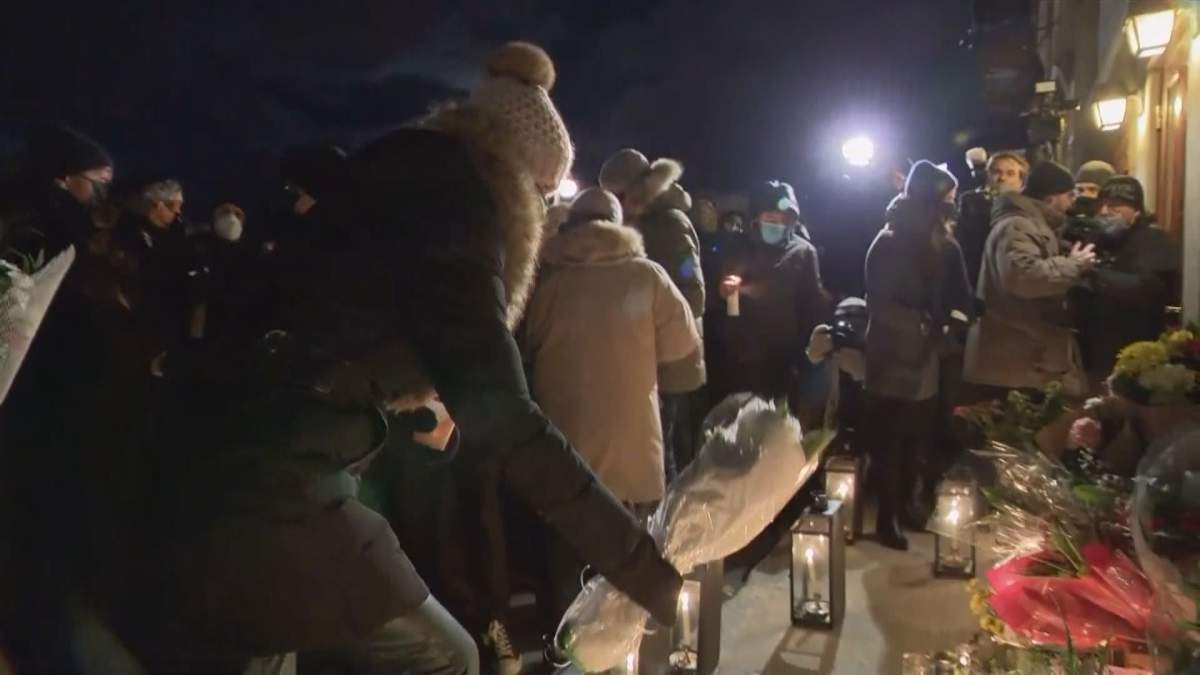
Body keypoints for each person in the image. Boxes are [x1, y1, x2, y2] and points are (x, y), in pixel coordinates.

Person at [140, 41, 681, 674]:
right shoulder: (462, 206)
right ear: (518, 179)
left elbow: (343, 328)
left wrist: (413, 415)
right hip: (272, 479)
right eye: (542, 193)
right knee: (443, 657)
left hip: (229, 455)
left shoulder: (398, 181)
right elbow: (505, 415)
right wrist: (640, 565)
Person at [0, 125, 146, 673]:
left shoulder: (53, 226)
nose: (103, 195)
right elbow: (9, 323)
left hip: (46, 409)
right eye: (97, 183)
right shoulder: (42, 229)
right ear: (64, 180)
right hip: (42, 413)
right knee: (45, 545)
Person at [525, 187, 700, 613]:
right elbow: (683, 351)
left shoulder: (546, 285)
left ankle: (565, 655)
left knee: (567, 584)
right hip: (633, 454)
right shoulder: (647, 276)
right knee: (624, 580)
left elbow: (526, 352)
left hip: (561, 459)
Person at [863, 161, 973, 550]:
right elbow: (879, 303)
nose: (953, 206)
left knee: (918, 437)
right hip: (893, 355)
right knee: (890, 439)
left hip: (929, 356)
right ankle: (887, 516)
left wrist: (954, 325)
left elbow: (962, 295)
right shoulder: (889, 242)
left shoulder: (946, 244)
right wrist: (923, 324)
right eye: (947, 199)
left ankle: (910, 505)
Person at [600, 149, 706, 479]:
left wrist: (645, 323)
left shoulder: (669, 225)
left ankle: (670, 525)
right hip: (649, 358)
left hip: (671, 363)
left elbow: (693, 295)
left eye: (618, 195)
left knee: (664, 451)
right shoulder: (642, 222)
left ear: (636, 191)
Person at [964, 160, 1098, 398]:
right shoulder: (1017, 225)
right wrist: (1074, 265)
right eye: (1068, 195)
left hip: (1023, 356)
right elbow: (1024, 277)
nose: (1072, 202)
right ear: (1050, 199)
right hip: (1014, 359)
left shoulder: (1031, 224)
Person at [708, 180, 829, 427]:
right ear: (756, 217)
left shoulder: (803, 252)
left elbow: (812, 305)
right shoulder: (736, 248)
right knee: (739, 430)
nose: (776, 223)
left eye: (782, 218)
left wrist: (810, 353)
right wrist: (722, 293)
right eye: (770, 217)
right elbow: (713, 300)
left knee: (776, 431)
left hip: (783, 360)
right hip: (739, 359)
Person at [1077, 176, 1177, 385]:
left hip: (1136, 353)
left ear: (1136, 210)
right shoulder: (1104, 239)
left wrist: (1093, 272)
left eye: (1115, 206)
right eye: (1101, 205)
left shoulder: (1152, 239)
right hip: (1100, 348)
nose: (1104, 212)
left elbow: (1145, 288)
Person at [956, 150, 1029, 290]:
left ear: (1021, 181)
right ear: (989, 175)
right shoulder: (973, 203)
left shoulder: (1028, 209)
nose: (1002, 178)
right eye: (997, 172)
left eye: (1010, 173)